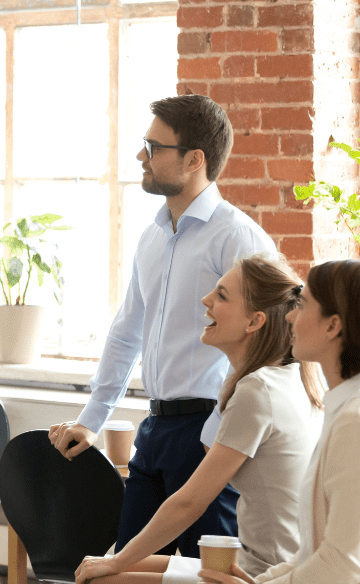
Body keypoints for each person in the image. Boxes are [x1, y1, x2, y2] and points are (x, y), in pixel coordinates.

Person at [49, 94, 276, 557]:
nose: (140, 157)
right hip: (153, 430)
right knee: (125, 567)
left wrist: (220, 433)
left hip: (208, 429)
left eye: (153, 147)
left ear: (194, 160)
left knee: (202, 573)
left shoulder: (238, 236)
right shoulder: (152, 236)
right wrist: (92, 419)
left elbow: (272, 338)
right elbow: (127, 330)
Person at [74, 254, 323, 584]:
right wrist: (117, 561)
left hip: (262, 575)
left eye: (221, 295)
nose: (206, 300)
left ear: (254, 322)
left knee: (102, 577)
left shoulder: (257, 390)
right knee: (104, 565)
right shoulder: (290, 377)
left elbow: (189, 503)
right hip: (265, 564)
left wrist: (117, 562)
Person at [201, 259, 360, 584]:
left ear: (332, 326)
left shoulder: (352, 422)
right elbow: (313, 554)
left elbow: (341, 565)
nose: (288, 315)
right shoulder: (339, 406)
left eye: (301, 305)